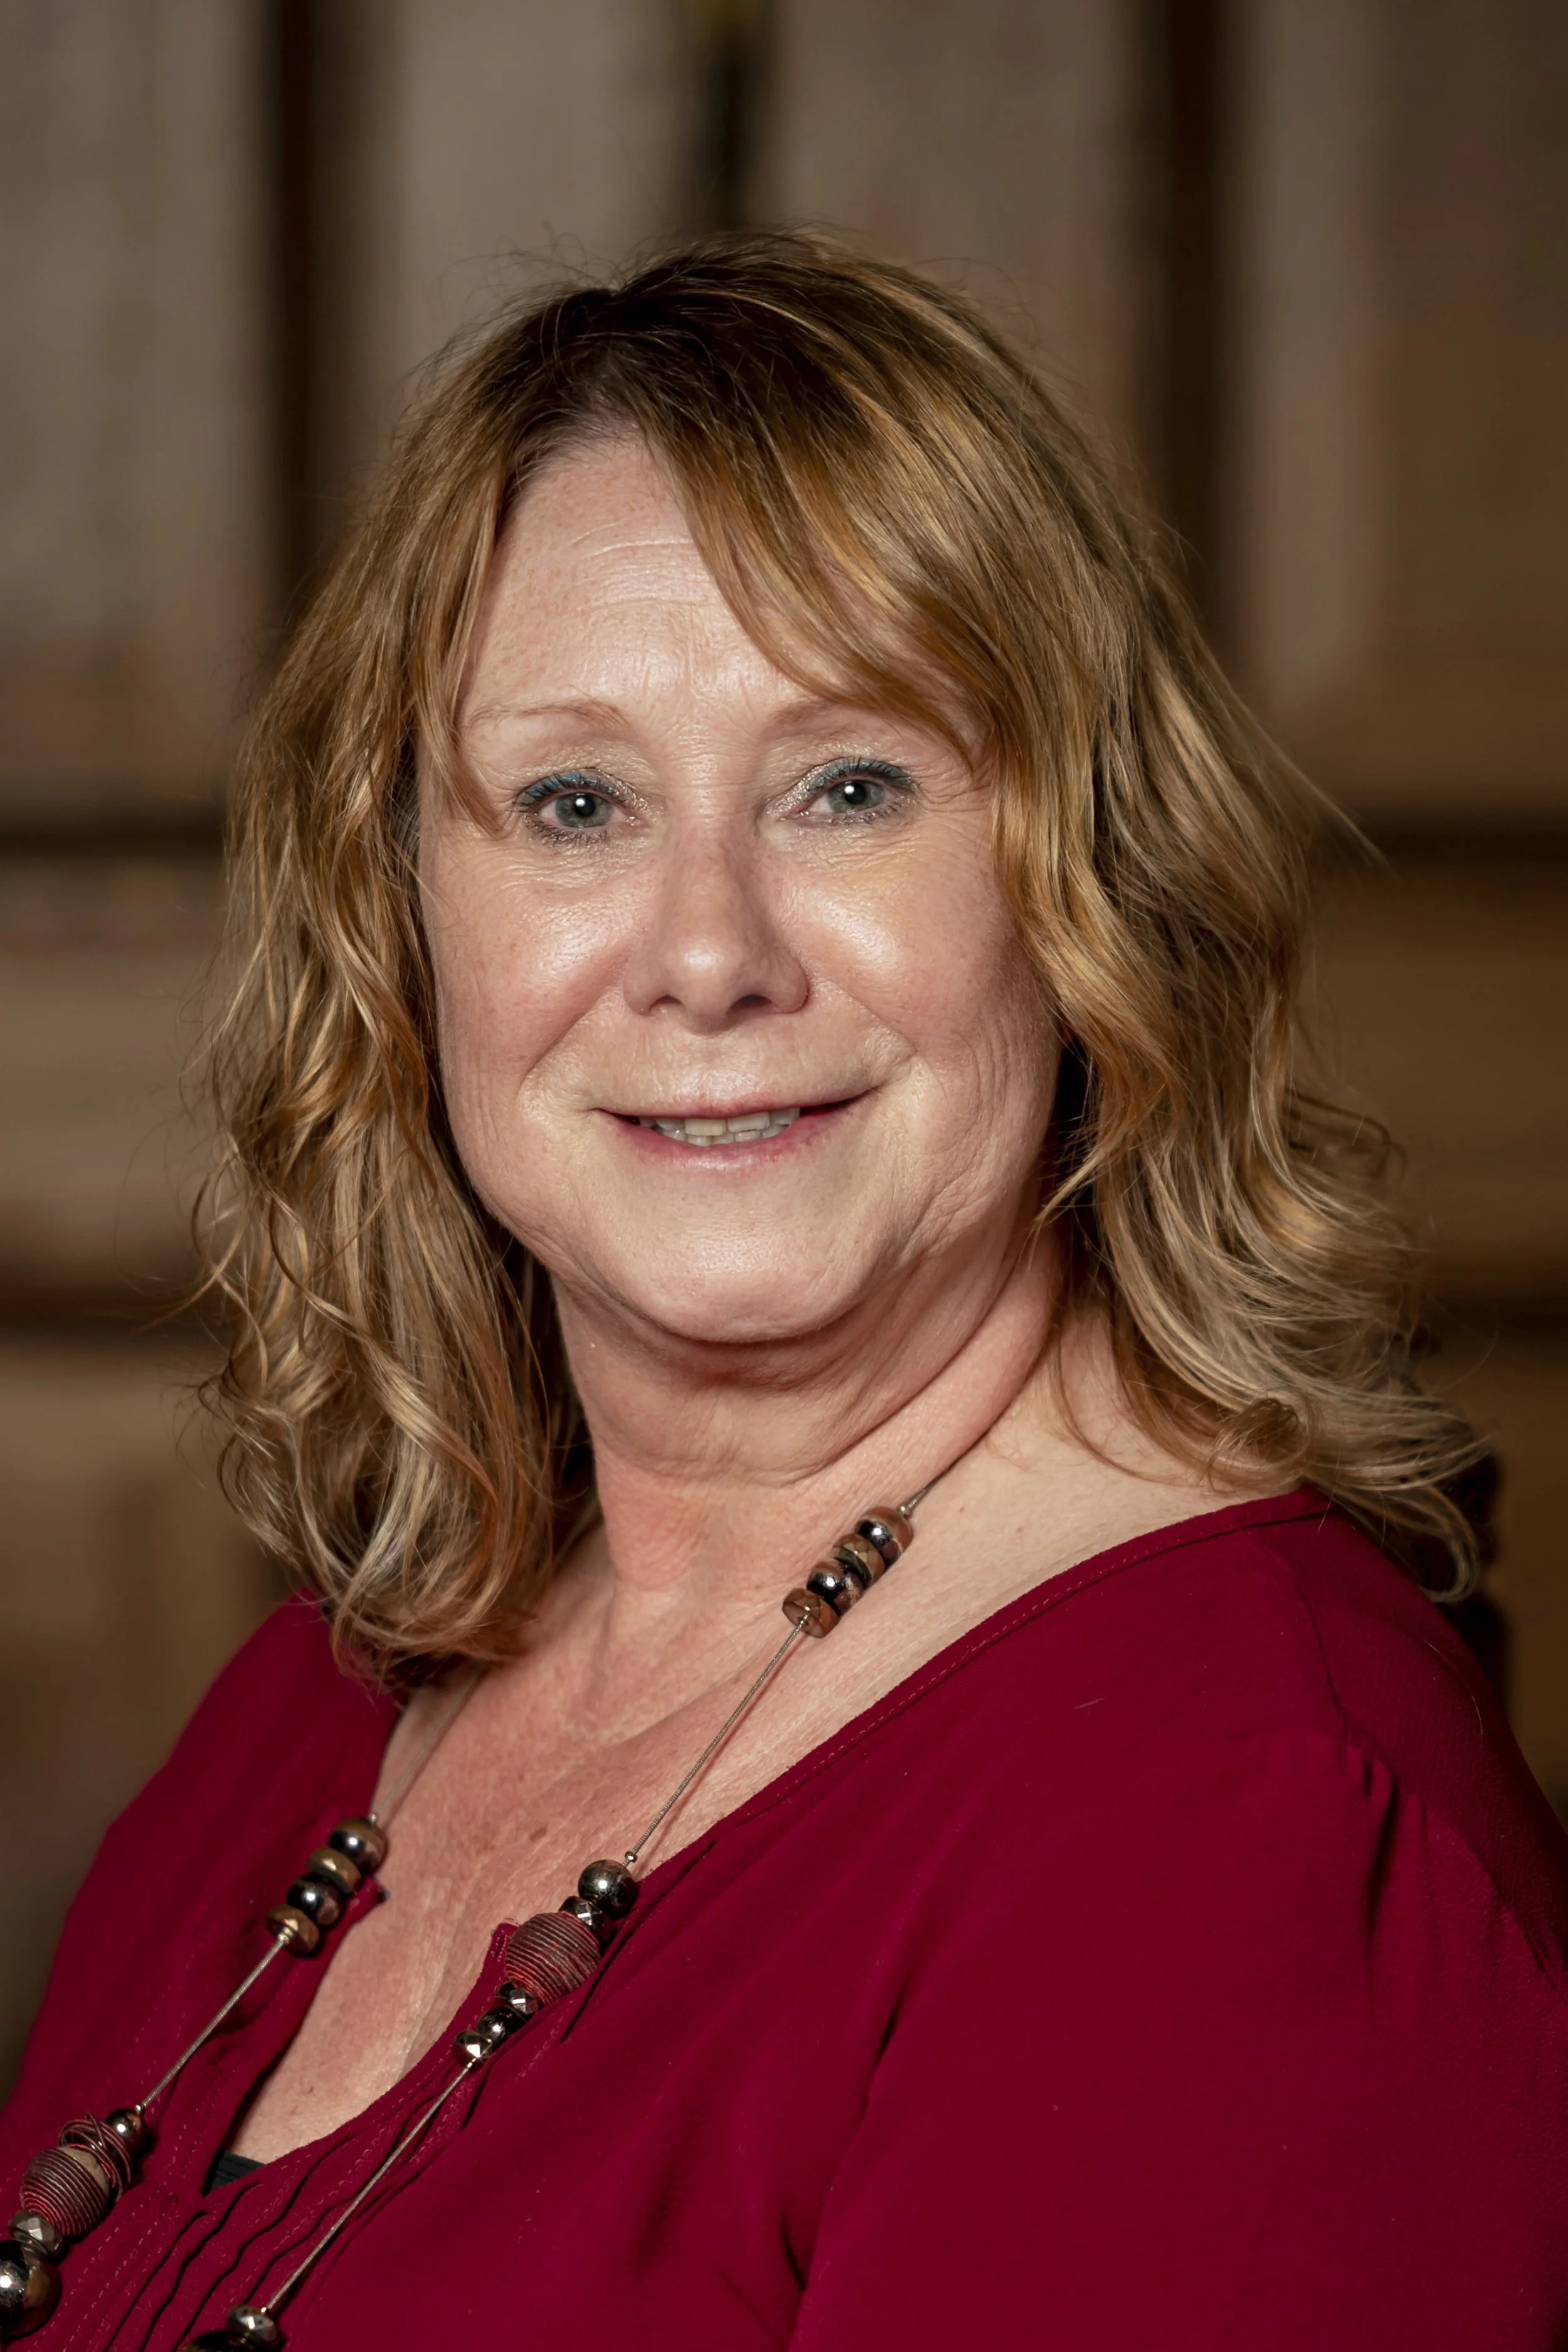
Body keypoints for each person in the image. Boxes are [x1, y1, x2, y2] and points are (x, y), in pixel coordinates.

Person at [2, 231, 1564, 2351]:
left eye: (850, 784)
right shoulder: (302, 1716)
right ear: (404, 922)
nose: (709, 950)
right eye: (573, 801)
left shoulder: (1244, 1833)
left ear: (1083, 881)